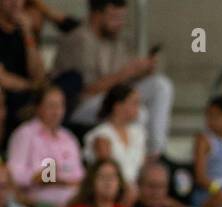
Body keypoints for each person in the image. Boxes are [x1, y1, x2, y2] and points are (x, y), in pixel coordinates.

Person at [53, 0, 173, 156]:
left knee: (160, 85)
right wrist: (127, 73)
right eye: (114, 17)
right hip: (81, 104)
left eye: (121, 18)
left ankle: (157, 152)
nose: (120, 23)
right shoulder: (80, 39)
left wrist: (142, 71)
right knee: (137, 112)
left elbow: (124, 80)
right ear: (96, 15)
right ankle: (135, 162)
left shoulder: (115, 40)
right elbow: (87, 89)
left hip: (112, 98)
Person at [6, 84, 83, 207]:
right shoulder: (25, 134)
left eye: (60, 106)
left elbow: (79, 173)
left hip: (72, 194)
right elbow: (14, 173)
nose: (57, 111)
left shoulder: (68, 137)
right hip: (39, 197)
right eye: (51, 106)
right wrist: (38, 177)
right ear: (38, 108)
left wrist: (66, 180)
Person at [83, 82, 145, 190]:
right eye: (134, 103)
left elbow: (143, 168)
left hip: (136, 189)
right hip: (113, 190)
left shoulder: (138, 133)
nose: (138, 108)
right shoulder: (102, 135)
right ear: (118, 106)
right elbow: (107, 171)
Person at [0, 0, 45, 139]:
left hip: (25, 94)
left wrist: (28, 34)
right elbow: (2, 78)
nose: (15, 3)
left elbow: (38, 75)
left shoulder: (24, 32)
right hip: (8, 94)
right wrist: (32, 86)